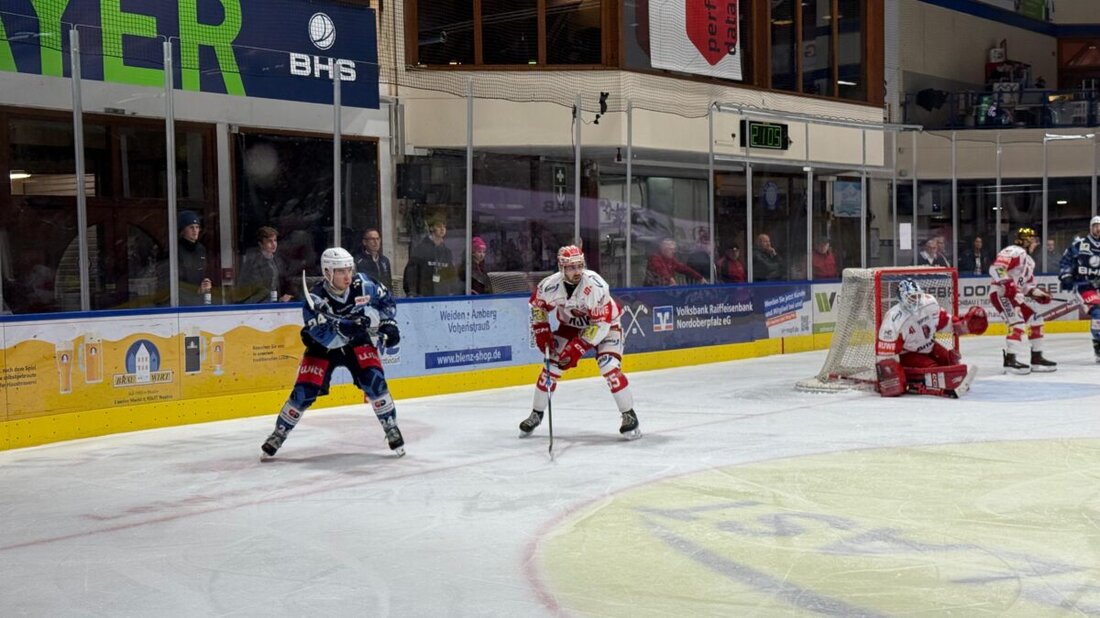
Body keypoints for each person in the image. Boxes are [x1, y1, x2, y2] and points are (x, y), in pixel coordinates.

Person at [260, 247, 405, 458]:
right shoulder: (315, 299)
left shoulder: (363, 285)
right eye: (340, 271)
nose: (347, 275)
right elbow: (323, 336)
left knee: (375, 381)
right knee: (303, 392)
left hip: (356, 340)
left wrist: (389, 323)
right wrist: (345, 325)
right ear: (328, 272)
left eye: (349, 269)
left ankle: (391, 426)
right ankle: (279, 432)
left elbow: (386, 300)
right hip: (324, 347)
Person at [520, 245, 640, 440]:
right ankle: (536, 413)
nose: (577, 271)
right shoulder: (549, 285)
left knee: (608, 366)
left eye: (579, 266)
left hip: (607, 326)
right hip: (570, 327)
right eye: (571, 267)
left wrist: (578, 347)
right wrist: (541, 329)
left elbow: (600, 324)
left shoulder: (596, 286)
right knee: (550, 368)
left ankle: (628, 414)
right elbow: (537, 306)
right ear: (562, 268)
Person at [875, 278, 986, 398]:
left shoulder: (929, 303)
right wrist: (892, 376)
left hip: (929, 345)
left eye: (917, 296)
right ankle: (922, 381)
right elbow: (885, 354)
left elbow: (944, 321)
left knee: (950, 360)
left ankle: (948, 380)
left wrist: (962, 326)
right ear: (901, 298)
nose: (916, 301)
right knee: (933, 368)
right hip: (908, 353)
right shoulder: (894, 319)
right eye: (911, 298)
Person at [990, 227, 1057, 374]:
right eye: (1033, 240)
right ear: (1025, 241)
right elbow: (996, 268)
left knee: (1036, 320)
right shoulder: (1014, 251)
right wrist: (1007, 283)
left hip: (1014, 296)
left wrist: (1038, 294)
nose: (1035, 244)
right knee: (1018, 324)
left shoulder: (1030, 262)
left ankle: (1037, 358)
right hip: (1000, 294)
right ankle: (1010, 360)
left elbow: (1026, 286)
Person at [1059, 216, 1100, 363]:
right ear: (1090, 227)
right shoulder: (1080, 244)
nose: (1098, 229)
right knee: (1098, 312)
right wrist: (1066, 276)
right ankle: (1099, 346)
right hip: (1085, 286)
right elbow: (1066, 262)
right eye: (1095, 225)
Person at [237, 226, 293, 303]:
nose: (274, 244)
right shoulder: (252, 262)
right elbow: (249, 287)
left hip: (275, 304)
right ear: (261, 244)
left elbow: (284, 281)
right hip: (257, 305)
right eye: (270, 241)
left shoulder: (278, 260)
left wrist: (286, 296)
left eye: (275, 240)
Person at [404, 218, 457, 297]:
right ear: (431, 228)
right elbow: (411, 273)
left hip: (443, 296)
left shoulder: (447, 252)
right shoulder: (420, 249)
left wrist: (452, 291)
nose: (442, 229)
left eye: (444, 226)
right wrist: (412, 292)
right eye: (439, 226)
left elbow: (451, 275)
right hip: (424, 296)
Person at [177, 210, 213, 305]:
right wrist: (195, 291)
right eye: (191, 227)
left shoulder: (201, 249)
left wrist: (206, 284)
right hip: (182, 302)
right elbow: (177, 281)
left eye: (197, 227)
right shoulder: (176, 250)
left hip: (199, 300)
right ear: (183, 230)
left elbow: (203, 272)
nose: (195, 230)